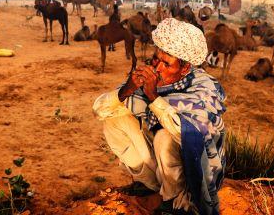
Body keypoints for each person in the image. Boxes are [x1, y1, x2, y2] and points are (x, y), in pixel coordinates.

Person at [93, 18, 227, 215]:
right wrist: (128, 89)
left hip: (195, 169)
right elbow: (100, 110)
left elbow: (189, 135)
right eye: (156, 59)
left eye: (167, 64)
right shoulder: (153, 76)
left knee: (164, 137)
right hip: (162, 161)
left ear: (185, 68)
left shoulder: (205, 88)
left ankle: (174, 200)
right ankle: (147, 183)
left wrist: (153, 97)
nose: (158, 68)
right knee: (114, 119)